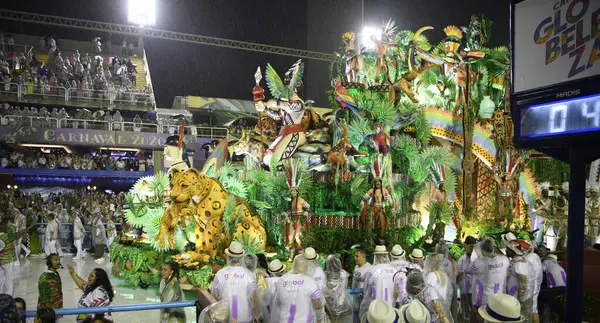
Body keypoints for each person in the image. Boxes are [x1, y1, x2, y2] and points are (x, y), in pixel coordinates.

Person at [211, 242, 259, 323]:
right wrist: (257, 316)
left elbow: (214, 297)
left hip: (225, 319)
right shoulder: (249, 275)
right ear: (242, 257)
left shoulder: (219, 274)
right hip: (245, 318)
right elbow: (254, 299)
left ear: (228, 256)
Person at [270, 255, 327, 323]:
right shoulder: (311, 282)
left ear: (294, 266)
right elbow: (317, 305)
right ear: (306, 267)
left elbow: (277, 302)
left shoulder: (282, 281)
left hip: (284, 320)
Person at [467, 238, 509, 322]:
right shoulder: (504, 260)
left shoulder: (479, 262)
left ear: (482, 249)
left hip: (482, 299)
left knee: (481, 317)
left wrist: (469, 254)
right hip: (498, 298)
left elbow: (468, 270)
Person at [0, 214, 37, 295]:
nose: (7, 227)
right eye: (6, 225)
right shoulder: (5, 236)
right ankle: (9, 296)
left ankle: (1, 295)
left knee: (1, 279)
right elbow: (19, 233)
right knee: (9, 280)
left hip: (1, 261)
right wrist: (30, 227)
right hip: (8, 260)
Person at [359, 245, 396, 319]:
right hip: (390, 306)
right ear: (386, 255)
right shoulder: (393, 270)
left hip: (376, 307)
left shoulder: (372, 270)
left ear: (375, 256)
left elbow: (367, 291)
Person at [505, 240, 534, 322]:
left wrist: (519, 302)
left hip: (518, 301)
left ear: (513, 251)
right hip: (513, 299)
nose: (506, 250)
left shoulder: (520, 264)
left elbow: (523, 285)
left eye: (508, 249)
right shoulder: (516, 261)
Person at [323, 255, 352, 323]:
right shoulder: (343, 274)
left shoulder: (325, 275)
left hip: (329, 308)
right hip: (343, 307)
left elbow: (325, 291)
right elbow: (342, 290)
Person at [539, 254, 566, 322]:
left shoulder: (546, 262)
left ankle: (542, 316)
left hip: (555, 289)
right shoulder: (560, 267)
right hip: (565, 289)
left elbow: (540, 272)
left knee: (539, 295)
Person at [457, 236, 477, 322]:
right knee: (465, 312)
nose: (472, 249)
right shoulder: (461, 259)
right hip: (464, 290)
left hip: (474, 291)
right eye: (470, 246)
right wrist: (464, 273)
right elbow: (458, 276)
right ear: (465, 245)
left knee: (475, 312)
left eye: (474, 246)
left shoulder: (477, 259)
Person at [435, 242, 457, 320]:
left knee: (437, 311)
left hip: (437, 289)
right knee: (446, 311)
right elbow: (453, 278)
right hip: (448, 290)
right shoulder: (451, 262)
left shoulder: (434, 261)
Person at [523, 242, 542, 323]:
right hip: (536, 286)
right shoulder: (536, 256)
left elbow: (526, 274)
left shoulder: (529, 258)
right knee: (535, 310)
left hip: (531, 288)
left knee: (529, 312)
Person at [352, 249, 371, 323]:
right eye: (355, 256)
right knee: (355, 317)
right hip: (355, 298)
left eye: (357, 256)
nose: (355, 258)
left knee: (363, 317)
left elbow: (369, 285)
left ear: (363, 257)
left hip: (363, 299)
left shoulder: (369, 268)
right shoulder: (356, 267)